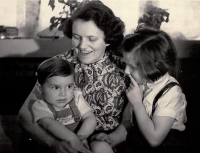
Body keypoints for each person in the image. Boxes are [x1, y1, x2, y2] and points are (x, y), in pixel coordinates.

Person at [18, 1, 131, 153]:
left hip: (105, 141)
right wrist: (53, 143)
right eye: (77, 37)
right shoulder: (59, 64)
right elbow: (24, 115)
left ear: (108, 39)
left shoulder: (126, 69)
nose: (82, 46)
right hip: (62, 139)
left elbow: (130, 119)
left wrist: (111, 140)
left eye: (91, 39)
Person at [120, 27, 187, 152]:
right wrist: (111, 138)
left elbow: (155, 140)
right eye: (126, 65)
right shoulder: (142, 81)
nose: (126, 71)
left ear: (153, 67)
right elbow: (129, 122)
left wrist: (137, 103)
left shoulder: (171, 93)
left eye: (132, 67)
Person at [31, 58, 96, 153]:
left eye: (69, 86)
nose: (63, 94)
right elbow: (49, 124)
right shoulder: (40, 106)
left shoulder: (77, 98)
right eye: (55, 87)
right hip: (54, 147)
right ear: (40, 89)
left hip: (78, 139)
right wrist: (71, 138)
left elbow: (90, 118)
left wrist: (81, 136)